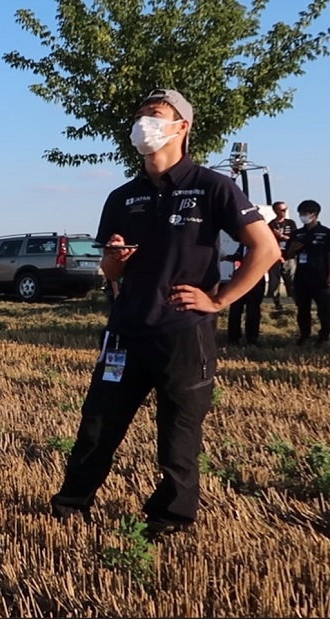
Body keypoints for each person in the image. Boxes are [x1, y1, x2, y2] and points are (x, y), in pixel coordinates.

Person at [49, 89, 278, 540]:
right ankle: (71, 505)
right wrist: (115, 258)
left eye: (154, 115)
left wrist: (219, 300)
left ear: (182, 127)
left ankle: (170, 518)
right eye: (140, 116)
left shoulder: (213, 187)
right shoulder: (123, 197)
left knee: (178, 434)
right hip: (126, 330)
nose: (144, 125)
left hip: (183, 333)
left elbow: (266, 249)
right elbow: (111, 271)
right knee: (97, 426)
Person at [285, 199, 330, 346]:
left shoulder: (326, 233)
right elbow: (288, 256)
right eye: (300, 213)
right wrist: (292, 250)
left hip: (321, 277)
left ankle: (323, 336)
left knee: (324, 310)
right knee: (303, 309)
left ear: (314, 214)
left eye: (305, 213)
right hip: (302, 277)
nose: (302, 216)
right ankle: (304, 335)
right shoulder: (297, 234)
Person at [223, 244, 266, 346]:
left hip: (256, 278)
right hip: (239, 278)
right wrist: (226, 257)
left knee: (253, 309)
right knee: (235, 308)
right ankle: (233, 337)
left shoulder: (260, 244)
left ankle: (252, 338)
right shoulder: (243, 244)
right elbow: (237, 256)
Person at [267, 201, 298, 311]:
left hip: (289, 258)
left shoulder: (290, 223)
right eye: (282, 210)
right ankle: (277, 305)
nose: (284, 212)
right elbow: (269, 242)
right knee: (274, 283)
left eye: (286, 209)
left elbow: (295, 239)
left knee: (292, 282)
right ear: (275, 211)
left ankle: (297, 305)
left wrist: (282, 236)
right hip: (275, 259)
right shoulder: (271, 224)